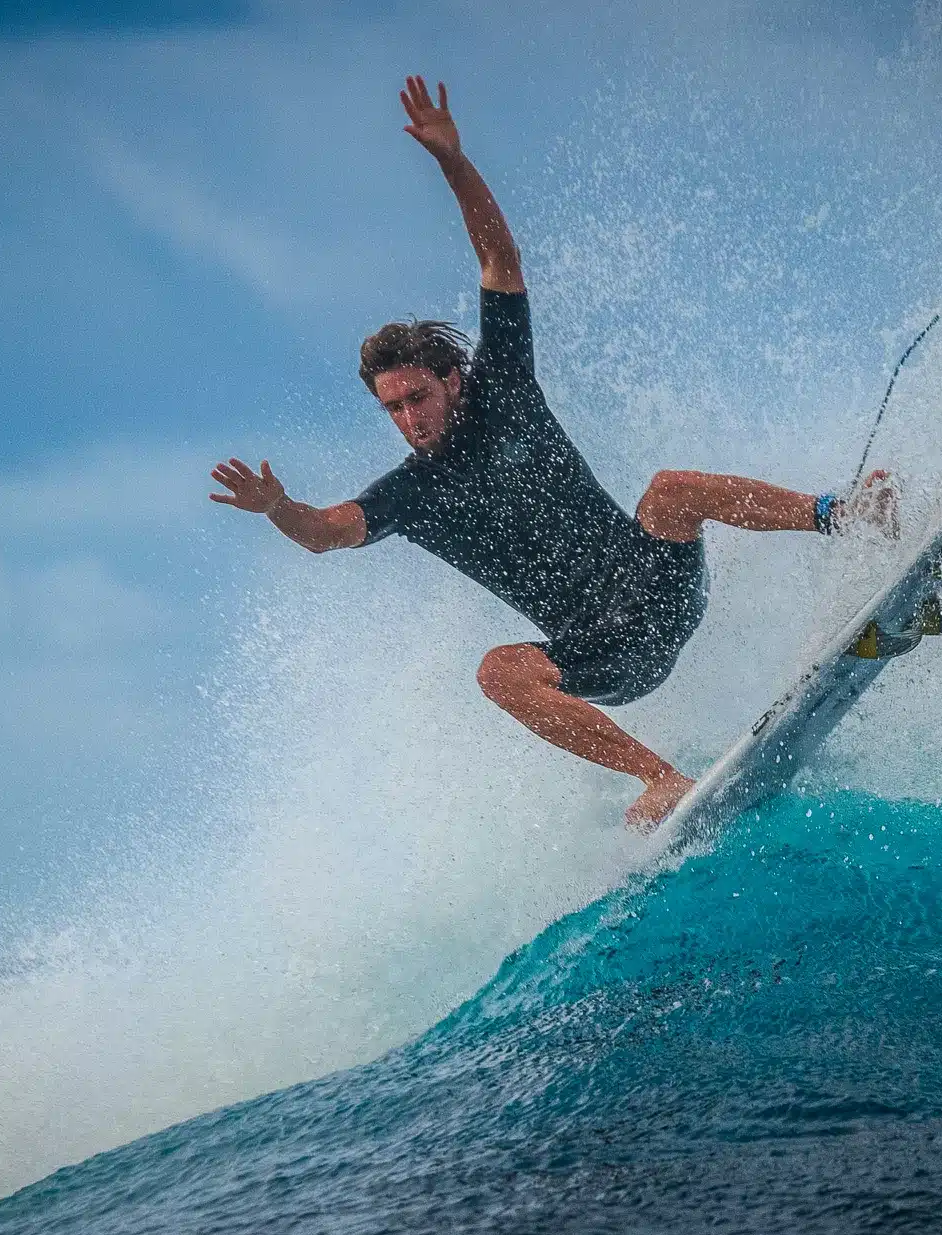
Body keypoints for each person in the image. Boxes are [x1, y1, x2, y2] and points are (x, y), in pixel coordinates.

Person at [211, 76, 906, 830]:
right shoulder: (408, 494)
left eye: (417, 397)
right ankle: (658, 778)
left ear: (449, 381)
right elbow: (324, 533)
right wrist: (277, 506)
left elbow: (499, 259)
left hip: (657, 585)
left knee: (670, 490)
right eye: (395, 409)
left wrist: (453, 162)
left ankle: (846, 515)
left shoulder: (502, 388)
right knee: (497, 671)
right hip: (601, 654)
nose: (409, 418)